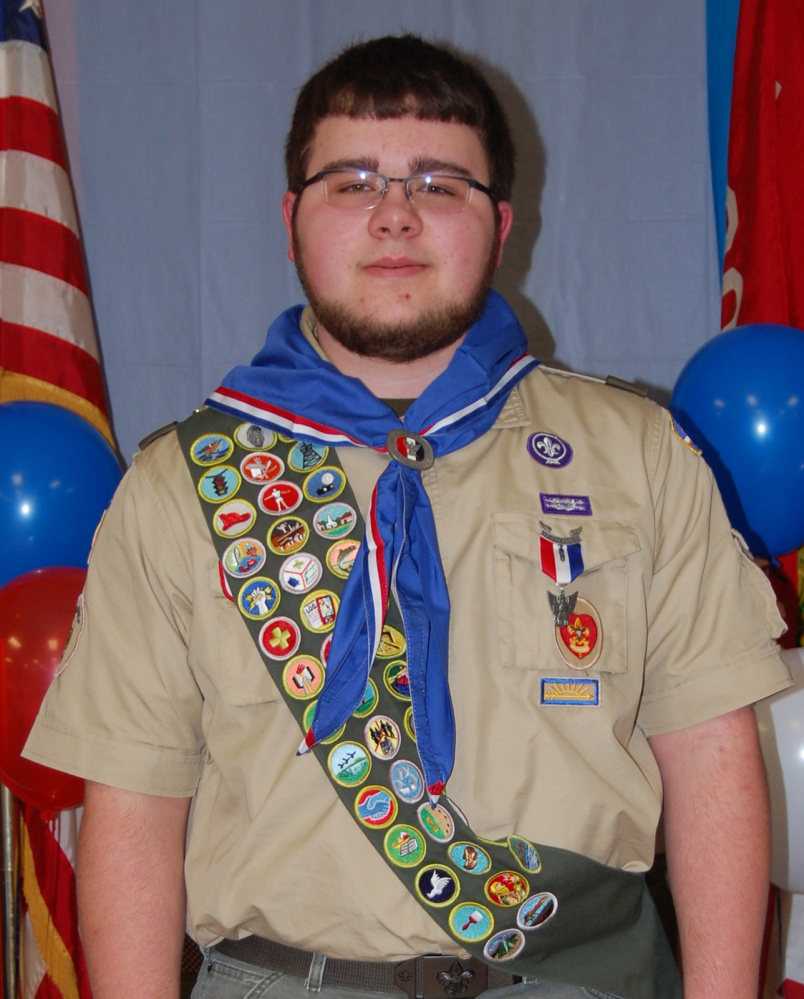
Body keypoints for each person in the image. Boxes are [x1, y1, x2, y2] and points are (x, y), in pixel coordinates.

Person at [25, 34, 791, 999]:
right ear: (291, 218)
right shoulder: (182, 486)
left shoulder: (637, 453)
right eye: (351, 183)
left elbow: (712, 759)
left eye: (439, 184)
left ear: (501, 223)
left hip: (580, 976)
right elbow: (134, 811)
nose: (394, 216)